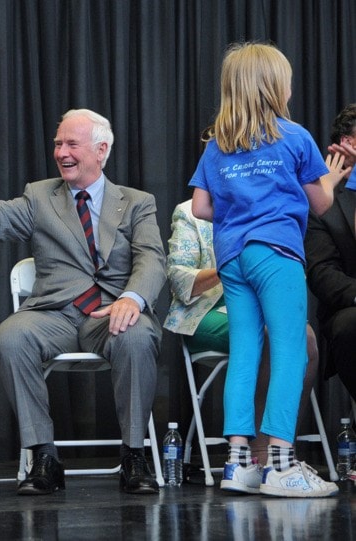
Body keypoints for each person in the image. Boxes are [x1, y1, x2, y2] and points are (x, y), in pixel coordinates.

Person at [0, 109, 167, 495]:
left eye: (71, 144)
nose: (61, 152)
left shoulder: (136, 202)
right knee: (11, 335)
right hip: (54, 315)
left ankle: (133, 456)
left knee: (137, 335)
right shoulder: (40, 196)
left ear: (101, 149)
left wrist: (132, 298)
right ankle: (44, 456)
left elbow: (152, 258)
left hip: (112, 312)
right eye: (58, 143)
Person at [188, 42, 348, 498]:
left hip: (233, 257)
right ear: (275, 86)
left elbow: (201, 207)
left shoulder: (218, 145)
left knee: (244, 354)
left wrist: (242, 203)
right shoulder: (294, 136)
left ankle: (238, 464)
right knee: (290, 351)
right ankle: (280, 462)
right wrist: (330, 183)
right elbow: (319, 203)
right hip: (276, 255)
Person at [164, 199, 320, 473]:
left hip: (257, 310)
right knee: (267, 337)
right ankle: (260, 456)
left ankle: (281, 447)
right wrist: (228, 268)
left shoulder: (266, 208)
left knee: (304, 338)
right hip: (204, 311)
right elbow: (178, 279)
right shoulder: (190, 211)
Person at [304, 103, 356, 404]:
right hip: (350, 306)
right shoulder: (322, 199)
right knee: (351, 325)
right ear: (347, 142)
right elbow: (322, 274)